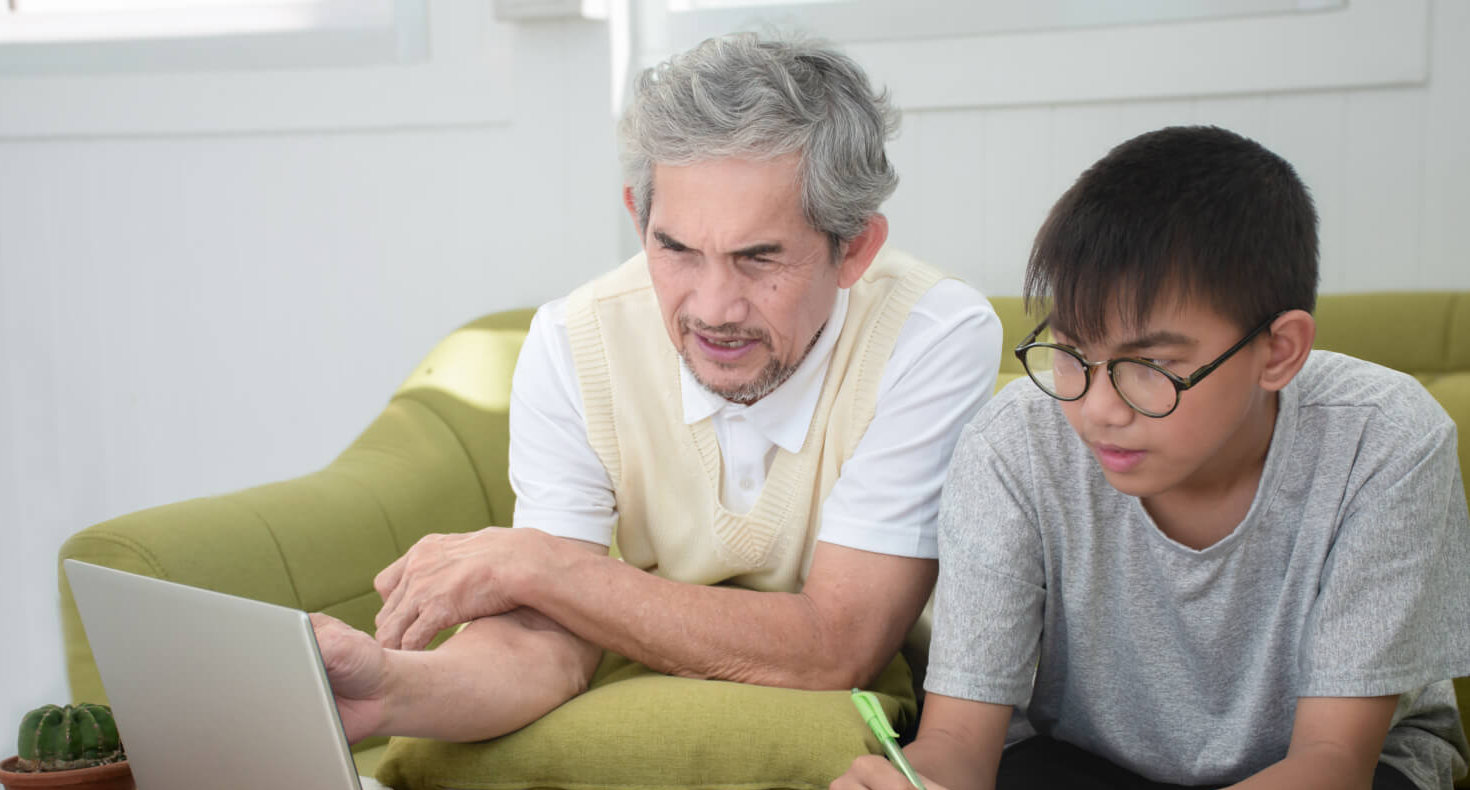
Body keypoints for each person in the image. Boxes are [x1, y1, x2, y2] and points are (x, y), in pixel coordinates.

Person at [828, 125, 1470, 790]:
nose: (1098, 408)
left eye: (1152, 367)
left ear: (1279, 351)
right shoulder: (1017, 440)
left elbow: (1335, 769)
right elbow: (961, 738)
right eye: (1070, 352)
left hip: (1323, 785)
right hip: (1083, 765)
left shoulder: (1385, 440)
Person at [311, 34, 1001, 746]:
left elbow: (838, 644)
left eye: (759, 258)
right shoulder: (574, 341)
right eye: (675, 250)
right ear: (638, 221)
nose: (713, 309)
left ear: (854, 248)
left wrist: (546, 568)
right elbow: (540, 645)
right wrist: (391, 689)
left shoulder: (931, 335)